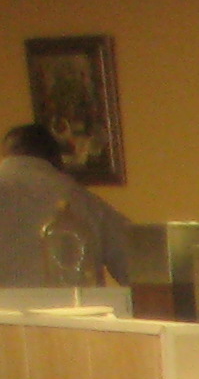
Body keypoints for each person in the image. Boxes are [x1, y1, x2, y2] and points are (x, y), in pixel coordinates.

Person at [0, 123, 135, 289]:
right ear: (57, 158)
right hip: (71, 303)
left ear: (6, 154)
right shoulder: (84, 200)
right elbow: (139, 267)